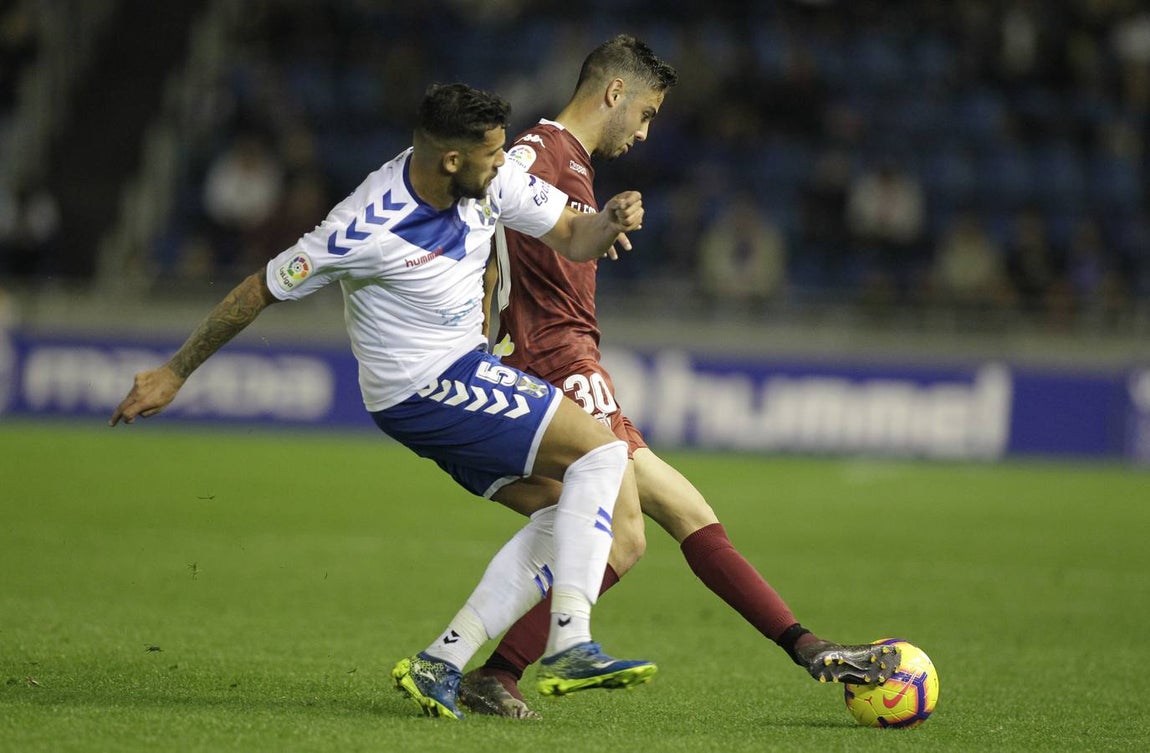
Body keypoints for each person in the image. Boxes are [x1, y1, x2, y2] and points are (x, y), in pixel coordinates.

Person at [108, 82, 658, 720]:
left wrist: (607, 221)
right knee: (602, 454)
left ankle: (442, 662)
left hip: (458, 374)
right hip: (426, 386)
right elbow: (259, 289)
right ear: (451, 159)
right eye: (491, 154)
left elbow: (571, 234)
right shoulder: (362, 225)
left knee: (570, 509)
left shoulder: (491, 175)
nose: (503, 163)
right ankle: (570, 643)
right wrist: (175, 371)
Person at [462, 34, 901, 719]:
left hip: (568, 362)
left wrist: (591, 226)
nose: (644, 132)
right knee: (624, 536)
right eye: (646, 113)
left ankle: (809, 647)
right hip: (556, 364)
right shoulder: (540, 152)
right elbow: (481, 211)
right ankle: (495, 669)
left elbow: (507, 238)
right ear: (615, 92)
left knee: (685, 512)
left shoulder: (566, 163)